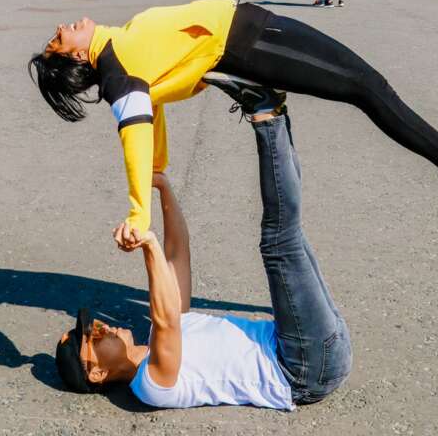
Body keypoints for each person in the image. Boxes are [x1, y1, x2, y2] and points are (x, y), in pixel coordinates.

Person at [29, 0, 438, 249]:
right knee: (369, 90)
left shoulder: (124, 48)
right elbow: (134, 133)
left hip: (257, 27)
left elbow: (153, 109)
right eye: (57, 42)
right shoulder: (117, 72)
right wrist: (141, 210)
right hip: (252, 43)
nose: (59, 28)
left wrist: (161, 166)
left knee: (372, 85)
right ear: (75, 61)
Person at [56, 111, 352, 409]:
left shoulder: (160, 340)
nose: (101, 328)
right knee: (279, 243)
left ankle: (278, 114)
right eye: (93, 338)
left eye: (94, 327)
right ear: (97, 372)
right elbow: (165, 318)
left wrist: (163, 187)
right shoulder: (152, 385)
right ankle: (267, 116)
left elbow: (177, 255)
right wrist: (148, 244)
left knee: (290, 236)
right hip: (301, 368)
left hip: (313, 345)